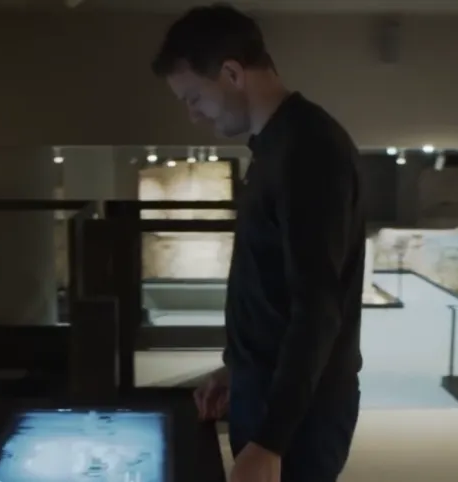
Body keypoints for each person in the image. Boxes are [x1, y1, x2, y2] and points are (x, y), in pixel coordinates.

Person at [150, 5, 365, 482]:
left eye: (193, 97)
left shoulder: (309, 148)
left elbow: (317, 308)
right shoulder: (275, 147)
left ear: (231, 73)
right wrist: (238, 369)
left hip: (299, 415)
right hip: (268, 391)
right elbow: (272, 287)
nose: (193, 115)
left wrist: (271, 440)